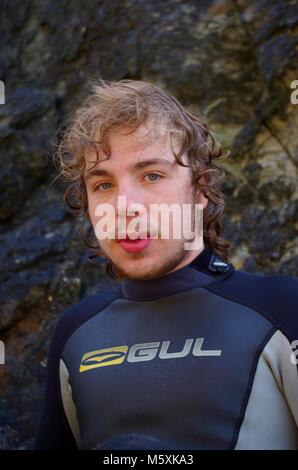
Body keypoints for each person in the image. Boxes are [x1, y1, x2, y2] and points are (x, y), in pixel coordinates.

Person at [35, 79, 298, 450]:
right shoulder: (74, 333)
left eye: (152, 175)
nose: (125, 205)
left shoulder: (284, 308)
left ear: (200, 191)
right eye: (103, 185)